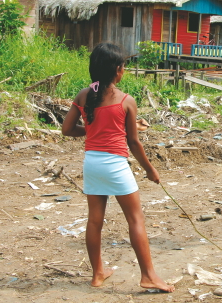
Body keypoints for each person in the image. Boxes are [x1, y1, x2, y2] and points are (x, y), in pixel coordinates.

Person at [62, 42, 175, 292]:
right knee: (135, 219)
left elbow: (67, 129)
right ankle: (148, 276)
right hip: (115, 165)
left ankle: (97, 274)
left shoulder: (84, 94)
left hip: (91, 163)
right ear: (118, 70)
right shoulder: (126, 100)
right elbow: (133, 142)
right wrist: (149, 169)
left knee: (94, 221)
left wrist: (91, 130)